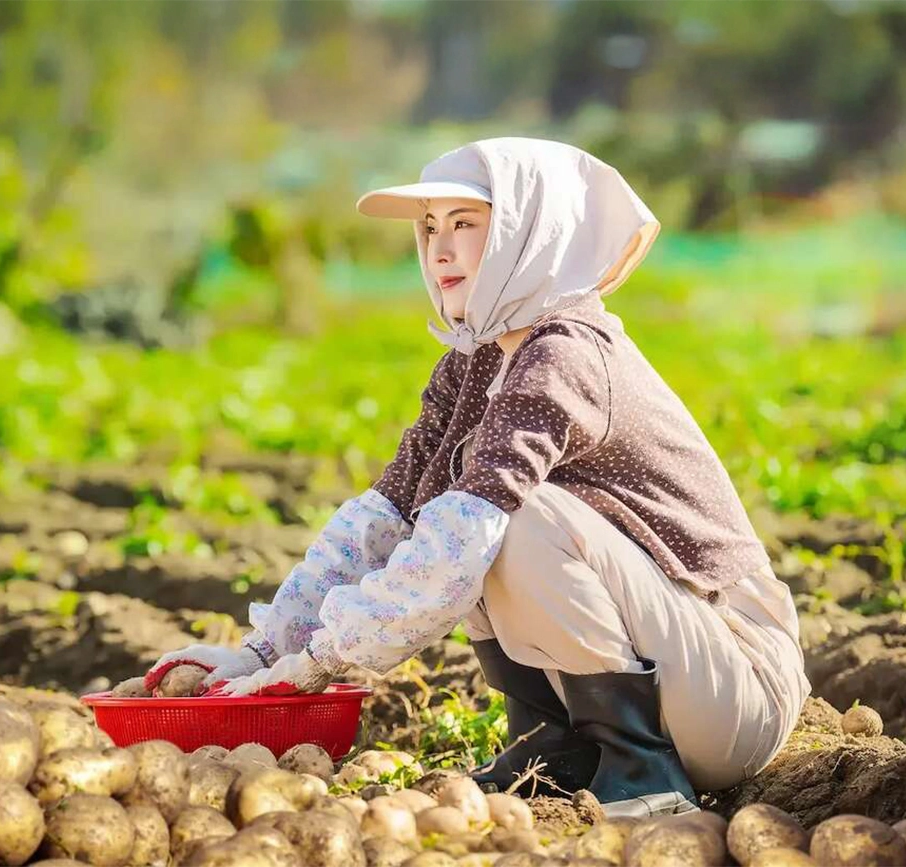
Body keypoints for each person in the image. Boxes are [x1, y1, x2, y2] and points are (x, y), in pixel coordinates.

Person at [145, 137, 811, 818]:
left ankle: (641, 767)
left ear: (532, 232)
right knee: (448, 519)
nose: (438, 250)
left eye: (465, 225)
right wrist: (259, 652)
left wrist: (314, 664)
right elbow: (382, 518)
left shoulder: (564, 353)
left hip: (736, 686)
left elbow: (454, 552)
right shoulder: (474, 361)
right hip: (680, 674)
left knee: (501, 520)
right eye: (429, 228)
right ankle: (553, 745)